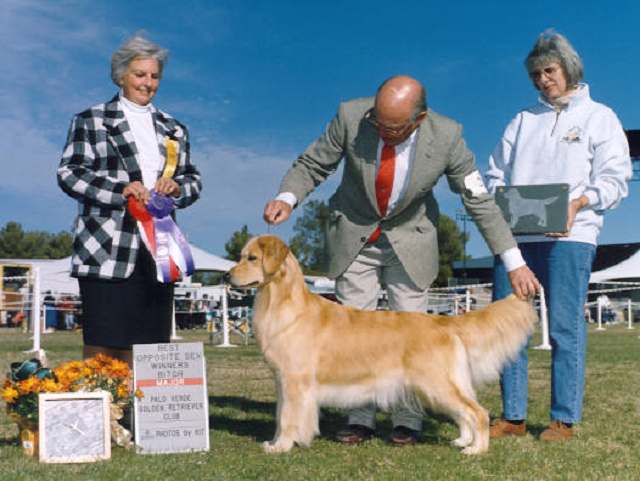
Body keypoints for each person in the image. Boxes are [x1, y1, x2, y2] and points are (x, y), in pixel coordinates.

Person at [263, 75, 539, 446]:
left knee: (416, 338)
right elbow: (313, 163)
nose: (382, 131)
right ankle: (359, 419)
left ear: (419, 119)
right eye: (377, 121)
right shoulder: (350, 116)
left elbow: (478, 200)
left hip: (411, 241)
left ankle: (407, 420)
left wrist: (514, 261)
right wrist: (287, 197)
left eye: (393, 128)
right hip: (354, 234)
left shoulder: (448, 136)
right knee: (351, 335)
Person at [485, 30, 631, 441]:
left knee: (565, 327)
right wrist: (503, 202)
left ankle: (563, 419)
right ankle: (512, 416)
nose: (542, 80)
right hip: (517, 242)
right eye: (535, 75)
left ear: (568, 68)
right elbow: (494, 173)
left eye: (549, 71)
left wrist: (579, 203)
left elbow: (615, 180)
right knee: (508, 327)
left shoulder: (600, 117)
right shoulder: (521, 120)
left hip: (572, 238)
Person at [57, 34, 201, 366]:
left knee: (152, 346)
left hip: (159, 250)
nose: (148, 83)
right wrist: (120, 190)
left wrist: (176, 188)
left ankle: (144, 402)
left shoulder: (174, 129)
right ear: (121, 75)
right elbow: (70, 173)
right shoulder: (91, 120)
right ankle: (105, 401)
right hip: (106, 248)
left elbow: (193, 179)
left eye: (154, 76)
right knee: (104, 346)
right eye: (140, 74)